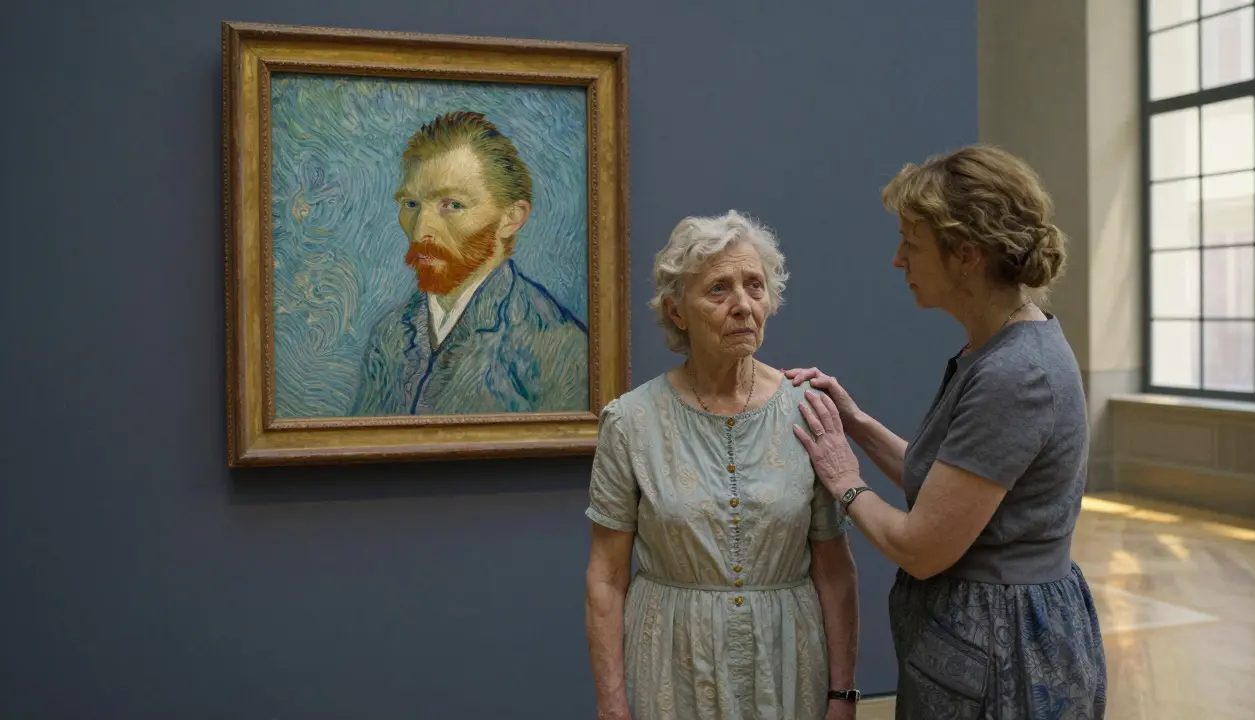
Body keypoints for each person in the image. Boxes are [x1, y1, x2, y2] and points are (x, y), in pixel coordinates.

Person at [787, 144, 1107, 719]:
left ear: (966, 255)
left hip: (1003, 653)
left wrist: (844, 478)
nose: (897, 260)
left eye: (911, 244)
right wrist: (856, 424)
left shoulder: (1016, 373)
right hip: (989, 639)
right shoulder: (998, 348)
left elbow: (922, 546)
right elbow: (950, 482)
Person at [584, 210, 862, 720]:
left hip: (788, 665)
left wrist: (842, 694)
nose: (743, 305)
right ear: (677, 311)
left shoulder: (809, 410)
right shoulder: (630, 422)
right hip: (672, 665)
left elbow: (835, 570)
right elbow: (605, 577)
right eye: (718, 290)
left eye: (755, 287)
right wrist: (611, 702)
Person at [350, 110, 588, 417]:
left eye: (452, 205)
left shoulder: (559, 347)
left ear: (511, 218)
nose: (421, 229)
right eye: (411, 204)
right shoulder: (390, 335)